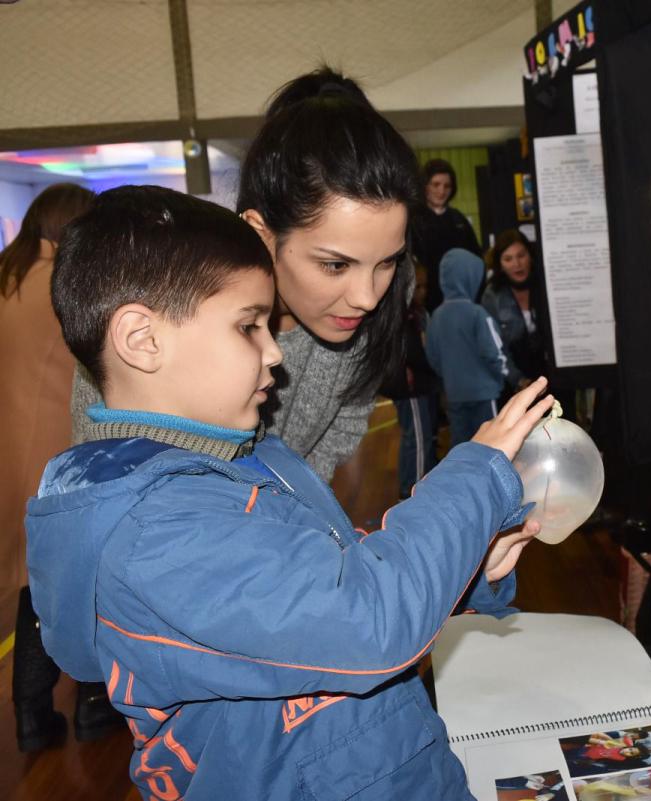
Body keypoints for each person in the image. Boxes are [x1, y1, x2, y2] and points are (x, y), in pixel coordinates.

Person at [27, 185, 552, 800]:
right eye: (248, 325)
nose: (274, 351)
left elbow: (332, 579)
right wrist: (475, 473)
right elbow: (367, 620)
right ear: (142, 339)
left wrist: (466, 567)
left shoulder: (249, 460)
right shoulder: (155, 536)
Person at [71, 67, 416, 483]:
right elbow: (105, 463)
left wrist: (296, 516)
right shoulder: (167, 308)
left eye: (387, 261)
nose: (367, 297)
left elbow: (341, 426)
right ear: (260, 232)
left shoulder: (383, 296)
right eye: (335, 265)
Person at [0, 183, 123, 752]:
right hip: (63, 451)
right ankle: (92, 705)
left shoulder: (6, 278)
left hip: (7, 454)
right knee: (77, 583)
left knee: (30, 584)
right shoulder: (67, 283)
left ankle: (29, 711)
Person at [427, 248, 512, 447]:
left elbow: (433, 357)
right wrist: (503, 377)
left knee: (462, 445)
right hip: (484, 393)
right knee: (490, 444)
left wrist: (450, 376)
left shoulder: (436, 316)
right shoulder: (477, 313)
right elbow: (494, 352)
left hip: (455, 393)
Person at [377, 259, 439, 497]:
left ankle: (412, 485)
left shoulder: (418, 313)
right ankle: (417, 492)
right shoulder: (401, 317)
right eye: (418, 288)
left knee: (419, 435)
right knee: (419, 438)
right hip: (410, 388)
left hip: (420, 384)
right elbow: (413, 352)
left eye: (424, 287)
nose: (422, 292)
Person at [410, 158, 482, 312]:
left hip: (459, 298)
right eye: (436, 184)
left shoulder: (459, 220)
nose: (441, 191)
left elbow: (475, 258)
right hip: (424, 299)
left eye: (447, 186)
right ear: (425, 185)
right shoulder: (413, 220)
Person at [482, 229, 546, 395]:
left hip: (552, 374)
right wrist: (518, 380)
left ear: (530, 257)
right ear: (500, 265)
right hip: (515, 380)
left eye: (521, 255)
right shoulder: (493, 295)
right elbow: (495, 348)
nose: (517, 264)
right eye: (508, 259)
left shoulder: (545, 285)